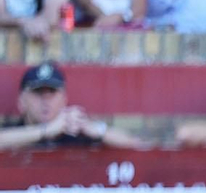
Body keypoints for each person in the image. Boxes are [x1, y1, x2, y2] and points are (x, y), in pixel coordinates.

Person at [0, 62, 149, 153]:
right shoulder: (12, 131)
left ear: (64, 100)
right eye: (38, 93)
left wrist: (96, 130)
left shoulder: (74, 131)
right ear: (21, 101)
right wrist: (46, 131)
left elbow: (139, 146)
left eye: (52, 93)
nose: (45, 100)